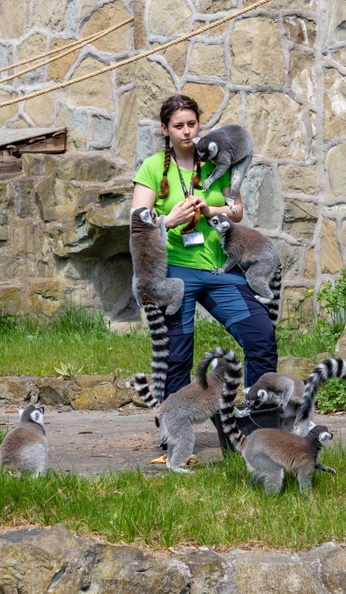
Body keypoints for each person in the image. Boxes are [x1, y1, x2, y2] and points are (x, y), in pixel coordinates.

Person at [131, 94, 278, 398]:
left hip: (217, 269)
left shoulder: (216, 160)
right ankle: (173, 423)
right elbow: (136, 224)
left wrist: (211, 210)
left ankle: (259, 414)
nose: (187, 131)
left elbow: (237, 211)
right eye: (178, 126)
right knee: (176, 356)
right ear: (165, 129)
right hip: (175, 272)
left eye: (192, 124)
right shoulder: (153, 167)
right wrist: (169, 220)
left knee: (261, 336)